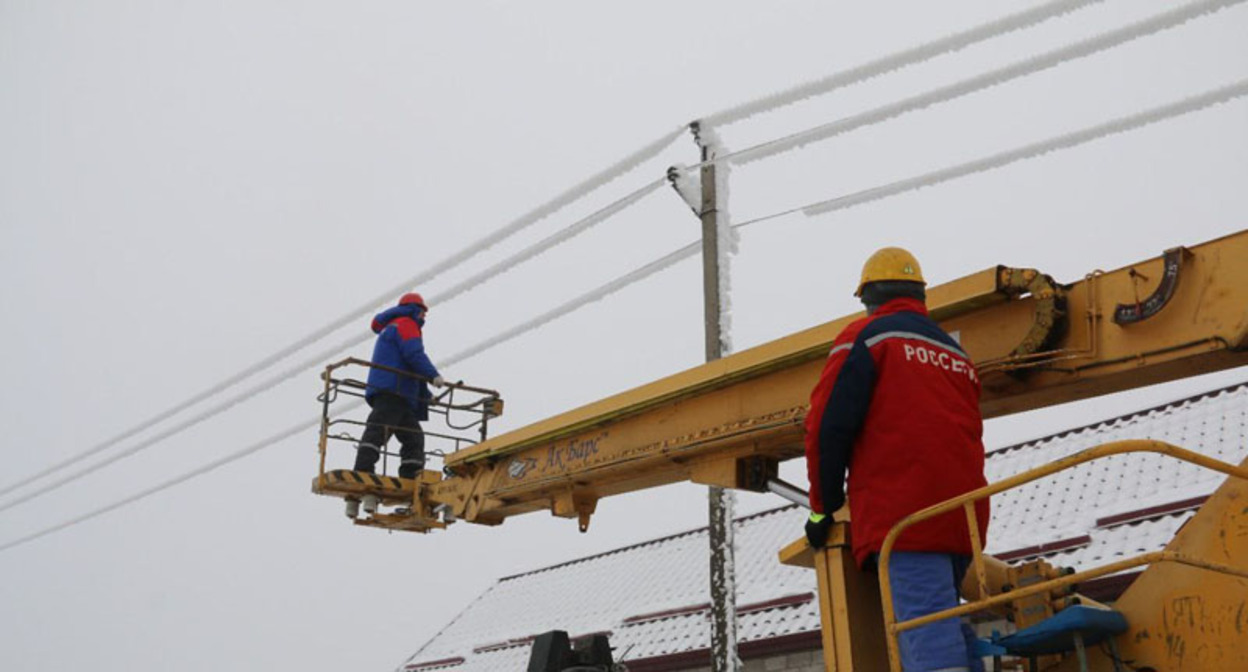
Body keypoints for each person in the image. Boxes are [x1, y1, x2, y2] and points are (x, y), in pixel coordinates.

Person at [803, 247, 989, 672]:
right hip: (964, 524)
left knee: (930, 646)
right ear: (921, 297)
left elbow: (826, 428)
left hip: (907, 519)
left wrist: (823, 510)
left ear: (869, 299)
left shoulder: (867, 337)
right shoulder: (957, 355)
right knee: (951, 630)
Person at [352, 292, 444, 486]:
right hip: (393, 391)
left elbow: (409, 369)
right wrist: (433, 375)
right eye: (423, 312)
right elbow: (414, 355)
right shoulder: (405, 324)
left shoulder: (392, 327)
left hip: (398, 393)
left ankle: (410, 479)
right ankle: (363, 472)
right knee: (378, 431)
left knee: (413, 438)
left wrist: (426, 397)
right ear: (415, 310)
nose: (424, 317)